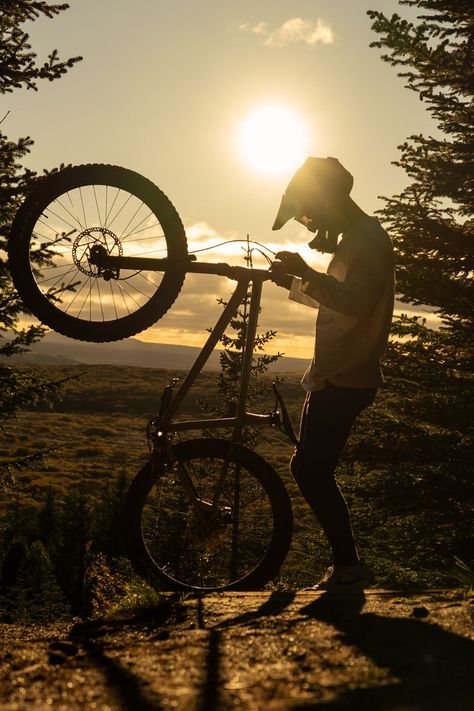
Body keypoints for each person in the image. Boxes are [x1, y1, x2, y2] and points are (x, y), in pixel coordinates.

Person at [270, 156, 395, 591]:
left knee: (310, 469)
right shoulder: (355, 240)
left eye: (313, 211)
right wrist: (293, 281)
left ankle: (349, 566)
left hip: (347, 374)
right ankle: (347, 565)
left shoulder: (369, 240)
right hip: (335, 372)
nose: (312, 222)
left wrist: (305, 272)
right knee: (310, 468)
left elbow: (356, 302)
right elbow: (336, 300)